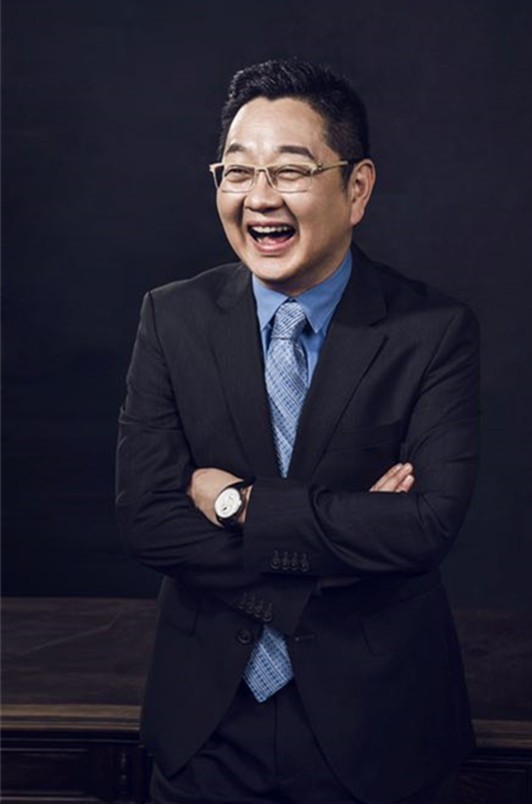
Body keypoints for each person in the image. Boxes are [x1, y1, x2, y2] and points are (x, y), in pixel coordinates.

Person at [116, 57, 480, 804]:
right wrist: (344, 542)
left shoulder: (433, 331)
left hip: (380, 728)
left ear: (357, 188)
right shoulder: (171, 318)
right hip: (206, 729)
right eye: (237, 171)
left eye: (289, 170)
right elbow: (147, 519)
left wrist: (237, 504)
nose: (259, 197)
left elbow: (424, 526)